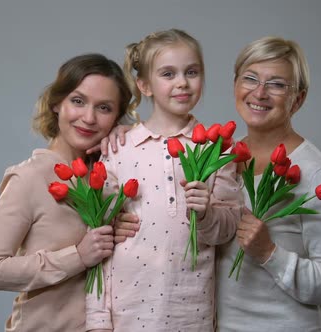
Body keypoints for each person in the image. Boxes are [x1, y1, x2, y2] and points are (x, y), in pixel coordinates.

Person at [111, 36, 321, 331]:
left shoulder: (314, 172)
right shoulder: (218, 155)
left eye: (277, 84)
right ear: (235, 85)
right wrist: (122, 135)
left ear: (299, 99)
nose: (260, 92)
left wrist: (270, 253)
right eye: (250, 79)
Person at [85, 28, 241, 332]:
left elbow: (226, 229)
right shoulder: (119, 148)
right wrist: (97, 320)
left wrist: (207, 213)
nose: (182, 82)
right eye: (168, 74)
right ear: (144, 85)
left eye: (192, 72)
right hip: (127, 315)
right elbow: (98, 237)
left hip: (190, 314)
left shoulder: (217, 149)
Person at [0, 53, 133, 332]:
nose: (89, 117)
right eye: (78, 101)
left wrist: (130, 139)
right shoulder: (29, 177)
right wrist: (77, 256)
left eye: (104, 108)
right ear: (56, 103)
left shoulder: (112, 175)